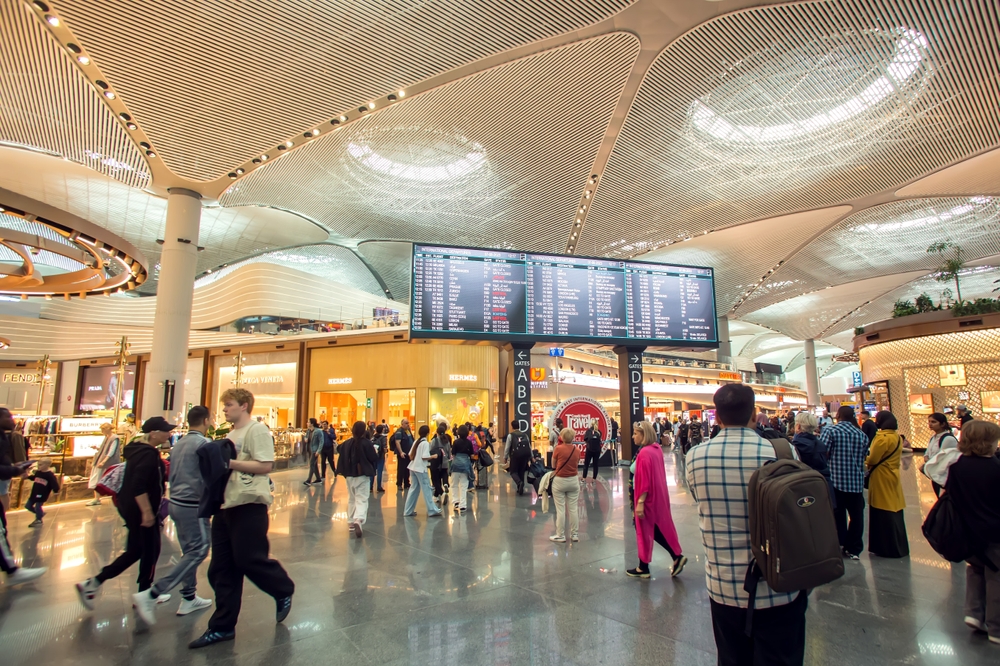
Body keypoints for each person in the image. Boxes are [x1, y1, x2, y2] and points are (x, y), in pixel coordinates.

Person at [686, 384, 808, 666]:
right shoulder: (783, 451)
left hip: (724, 586)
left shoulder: (695, 457)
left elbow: (698, 498)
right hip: (780, 584)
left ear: (717, 417)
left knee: (732, 658)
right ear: (754, 414)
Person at [188, 388, 295, 649]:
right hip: (226, 505)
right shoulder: (230, 434)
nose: (225, 409)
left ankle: (282, 588)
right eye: (224, 405)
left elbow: (265, 465)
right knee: (221, 568)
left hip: (248, 505)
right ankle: (222, 627)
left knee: (249, 559)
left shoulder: (256, 431)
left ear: (244, 405)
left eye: (229, 404)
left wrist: (228, 463)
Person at [76, 416, 171, 613]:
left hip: (131, 508)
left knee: (137, 550)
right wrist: (147, 512)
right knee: (150, 549)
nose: (169, 434)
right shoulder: (147, 455)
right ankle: (144, 594)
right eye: (165, 430)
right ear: (154, 433)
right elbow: (138, 484)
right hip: (141, 510)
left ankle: (96, 583)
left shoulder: (138, 451)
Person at [132, 406, 214, 625]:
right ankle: (153, 593)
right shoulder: (203, 444)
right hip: (192, 504)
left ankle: (189, 597)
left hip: (176, 503)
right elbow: (210, 475)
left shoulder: (179, 444)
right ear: (206, 421)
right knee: (199, 550)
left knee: (188, 551)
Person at [942, 420, 1000, 644]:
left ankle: (974, 613)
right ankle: (996, 626)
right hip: (993, 531)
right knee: (996, 576)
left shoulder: (958, 466)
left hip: (967, 529)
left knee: (975, 569)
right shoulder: (995, 468)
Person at [628, 420, 686, 578]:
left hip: (646, 498)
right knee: (649, 528)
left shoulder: (645, 453)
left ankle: (675, 556)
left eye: (635, 433)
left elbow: (644, 480)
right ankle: (644, 565)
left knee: (648, 529)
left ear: (644, 434)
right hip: (655, 495)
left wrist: (640, 502)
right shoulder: (655, 449)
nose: (633, 436)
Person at [0, 407, 47, 585]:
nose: (13, 420)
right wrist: (15, 470)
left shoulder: (5, 436)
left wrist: (15, 467)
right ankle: (12, 571)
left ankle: (11, 570)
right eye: (8, 417)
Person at [821, 405, 870, 560]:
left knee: (838, 514)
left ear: (838, 416)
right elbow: (864, 455)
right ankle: (854, 548)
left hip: (836, 480)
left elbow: (823, 453)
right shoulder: (861, 434)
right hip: (855, 482)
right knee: (857, 516)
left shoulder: (830, 431)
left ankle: (840, 543)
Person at [866, 411, 908, 558]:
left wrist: (864, 459)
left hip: (881, 476)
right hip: (893, 474)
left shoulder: (882, 438)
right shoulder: (897, 437)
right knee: (893, 506)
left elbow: (873, 459)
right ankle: (899, 545)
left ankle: (885, 547)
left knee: (881, 507)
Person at [338, 420, 378, 536]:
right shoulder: (366, 443)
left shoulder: (347, 443)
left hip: (349, 475)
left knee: (352, 498)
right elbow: (373, 457)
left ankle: (351, 521)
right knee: (362, 498)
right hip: (362, 475)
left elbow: (339, 449)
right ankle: (358, 519)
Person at [791, 412, 834, 502]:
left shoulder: (795, 445)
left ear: (798, 426)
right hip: (823, 488)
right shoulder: (820, 444)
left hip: (803, 490)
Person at [549, 427, 581, 543]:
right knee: (573, 509)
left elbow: (553, 464)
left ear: (561, 437)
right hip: (573, 480)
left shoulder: (558, 449)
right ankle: (574, 534)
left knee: (560, 509)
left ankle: (560, 535)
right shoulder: (577, 450)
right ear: (573, 437)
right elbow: (577, 463)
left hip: (560, 480)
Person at [403, 425, 442, 518]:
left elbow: (410, 454)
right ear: (428, 433)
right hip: (421, 469)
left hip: (413, 467)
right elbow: (424, 457)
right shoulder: (425, 443)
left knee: (414, 489)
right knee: (427, 489)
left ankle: (408, 511)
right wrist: (433, 456)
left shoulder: (416, 441)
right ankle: (432, 510)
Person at [925, 412, 959, 497]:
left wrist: (930, 461)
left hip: (944, 476)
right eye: (929, 422)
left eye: (933, 422)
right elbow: (927, 453)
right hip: (935, 474)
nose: (930, 424)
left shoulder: (948, 439)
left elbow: (943, 458)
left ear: (943, 424)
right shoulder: (933, 438)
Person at [87, 422, 120, 506]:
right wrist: (97, 448)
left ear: (107, 429)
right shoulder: (107, 437)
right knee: (97, 479)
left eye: (103, 429)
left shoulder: (114, 438)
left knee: (100, 479)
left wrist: (103, 461)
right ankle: (96, 498)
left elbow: (111, 452)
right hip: (100, 461)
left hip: (105, 463)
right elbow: (106, 450)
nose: (102, 431)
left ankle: (97, 499)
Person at [24, 458, 59, 527]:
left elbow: (54, 484)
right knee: (28, 506)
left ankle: (39, 519)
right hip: (34, 493)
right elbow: (35, 478)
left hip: (42, 494)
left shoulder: (49, 475)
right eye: (38, 465)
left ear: (47, 465)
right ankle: (40, 514)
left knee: (38, 506)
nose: (38, 466)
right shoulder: (38, 472)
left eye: (40, 465)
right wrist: (28, 477)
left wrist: (56, 491)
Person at [450, 425, 475, 512]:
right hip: (465, 466)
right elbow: (472, 455)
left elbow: (453, 454)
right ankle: (463, 505)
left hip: (456, 465)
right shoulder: (469, 442)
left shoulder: (456, 442)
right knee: (464, 486)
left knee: (454, 484)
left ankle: (456, 502)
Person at [506, 419, 532, 495]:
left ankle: (519, 482)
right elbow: (529, 447)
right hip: (524, 456)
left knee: (513, 471)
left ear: (512, 427)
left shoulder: (511, 435)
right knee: (521, 471)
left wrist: (505, 457)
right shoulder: (525, 435)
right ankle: (520, 489)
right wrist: (531, 457)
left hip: (515, 456)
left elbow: (507, 447)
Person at [429, 423, 451, 501]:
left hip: (436, 462)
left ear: (437, 432)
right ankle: (445, 484)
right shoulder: (447, 441)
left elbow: (429, 450)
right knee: (444, 473)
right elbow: (449, 452)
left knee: (436, 479)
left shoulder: (434, 440)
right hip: (445, 462)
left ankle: (441, 493)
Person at [393, 418, 413, 490]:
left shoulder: (408, 431)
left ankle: (406, 483)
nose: (408, 424)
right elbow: (397, 442)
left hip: (408, 453)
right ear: (402, 424)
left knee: (407, 469)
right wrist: (401, 452)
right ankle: (399, 484)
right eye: (406, 423)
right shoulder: (399, 432)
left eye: (408, 423)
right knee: (401, 469)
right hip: (402, 454)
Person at [303, 418, 324, 486]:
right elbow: (306, 437)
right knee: (314, 464)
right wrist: (305, 439)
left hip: (315, 450)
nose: (307, 423)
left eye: (308, 422)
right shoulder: (308, 431)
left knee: (312, 464)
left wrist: (318, 451)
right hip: (309, 449)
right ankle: (318, 479)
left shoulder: (318, 431)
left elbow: (321, 441)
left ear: (312, 423)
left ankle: (309, 480)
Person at [372, 424, 387, 492]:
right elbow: (384, 447)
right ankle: (379, 487)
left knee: (373, 471)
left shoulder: (373, 437)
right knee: (379, 472)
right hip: (380, 456)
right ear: (382, 430)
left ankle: (370, 487)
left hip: (373, 456)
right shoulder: (383, 438)